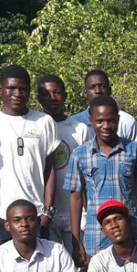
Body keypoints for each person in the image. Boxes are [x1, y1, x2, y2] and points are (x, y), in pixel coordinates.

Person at [0, 65, 60, 246]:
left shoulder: (44, 122)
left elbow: (50, 169)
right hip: (0, 217)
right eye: (11, 88)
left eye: (23, 88)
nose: (17, 94)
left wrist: (48, 211)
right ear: (0, 90)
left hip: (35, 216)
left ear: (29, 91)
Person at [64, 95, 137, 268]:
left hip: (132, 233)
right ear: (91, 121)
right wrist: (76, 241)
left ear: (118, 120)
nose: (106, 126)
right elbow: (75, 197)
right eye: (100, 121)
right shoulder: (79, 155)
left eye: (111, 121)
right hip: (95, 236)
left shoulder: (135, 150)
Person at [37, 74, 90, 256]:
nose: (52, 98)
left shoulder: (79, 129)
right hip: (45, 213)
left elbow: (87, 173)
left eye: (57, 92)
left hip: (75, 213)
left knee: (80, 263)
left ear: (65, 96)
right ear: (38, 98)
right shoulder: (34, 128)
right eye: (46, 94)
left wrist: (86, 213)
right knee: (49, 266)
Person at [70, 69, 137, 143]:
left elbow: (133, 149)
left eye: (102, 86)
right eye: (92, 87)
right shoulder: (74, 123)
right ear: (85, 93)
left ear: (110, 90)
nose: (98, 91)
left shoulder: (127, 121)